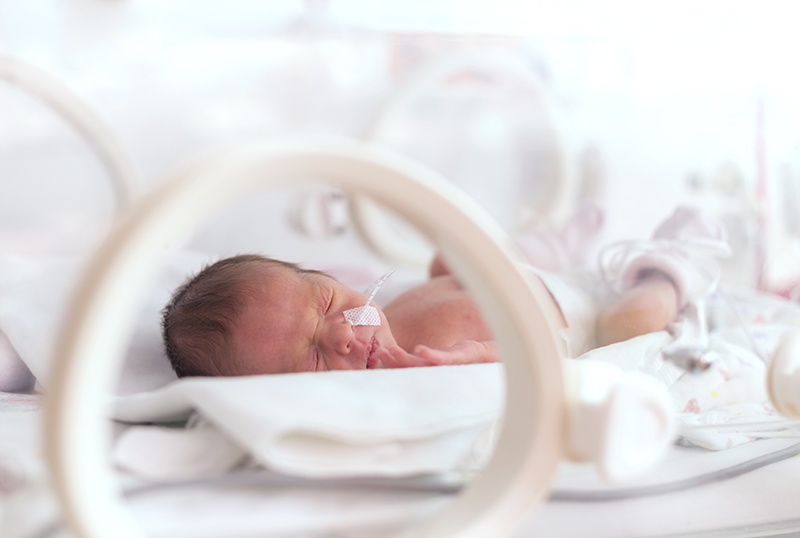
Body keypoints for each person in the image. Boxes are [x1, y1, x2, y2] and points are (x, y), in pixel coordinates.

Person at [162, 206, 724, 378]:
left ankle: (559, 244)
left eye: (328, 303)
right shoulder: (417, 368)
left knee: (446, 261)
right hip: (590, 318)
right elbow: (539, 370)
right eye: (310, 355)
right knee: (634, 325)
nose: (342, 333)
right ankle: (673, 263)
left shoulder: (380, 305)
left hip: (537, 280)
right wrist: (481, 361)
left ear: (329, 279)